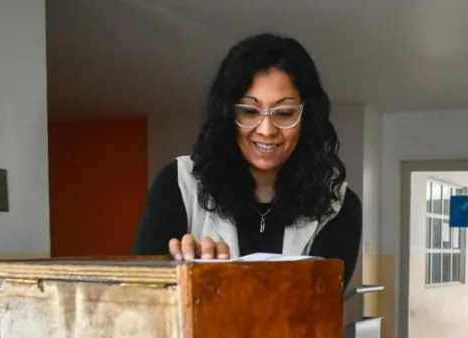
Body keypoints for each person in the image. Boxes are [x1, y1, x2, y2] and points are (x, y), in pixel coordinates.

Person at [132, 33, 362, 285]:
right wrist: (185, 271)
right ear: (227, 115)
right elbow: (144, 298)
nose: (266, 130)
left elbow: (319, 308)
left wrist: (221, 283)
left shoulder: (339, 205)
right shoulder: (177, 183)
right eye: (249, 111)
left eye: (284, 113)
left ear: (307, 118)